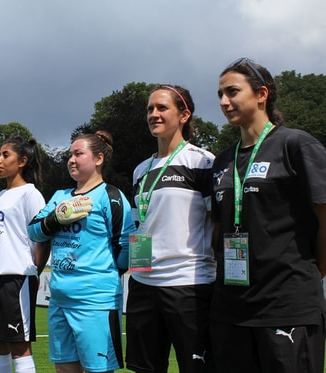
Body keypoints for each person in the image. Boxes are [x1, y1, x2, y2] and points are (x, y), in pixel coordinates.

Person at [210, 57, 326, 373]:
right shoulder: (222, 161)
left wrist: (311, 274)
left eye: (232, 91)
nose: (223, 101)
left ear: (261, 94)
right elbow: (218, 229)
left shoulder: (295, 144)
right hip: (231, 309)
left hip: (286, 306)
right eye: (220, 94)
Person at [125, 85, 216, 373]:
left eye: (162, 108)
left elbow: (217, 222)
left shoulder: (202, 161)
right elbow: (142, 224)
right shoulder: (141, 170)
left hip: (189, 284)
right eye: (150, 109)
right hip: (144, 284)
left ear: (184, 115)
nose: (154, 114)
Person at [28, 131, 134, 373]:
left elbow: (126, 246)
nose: (71, 160)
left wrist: (102, 276)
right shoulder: (60, 197)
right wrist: (57, 218)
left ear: (98, 158)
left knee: (97, 370)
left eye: (78, 154)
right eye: (69, 155)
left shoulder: (112, 196)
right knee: (64, 369)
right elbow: (34, 231)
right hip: (59, 299)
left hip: (96, 301)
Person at [0, 137, 46, 373]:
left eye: (5, 155)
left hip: (15, 278)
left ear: (22, 161)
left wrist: (33, 273)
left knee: (19, 346)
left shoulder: (30, 194)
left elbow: (42, 238)